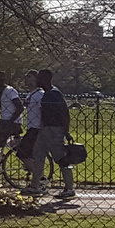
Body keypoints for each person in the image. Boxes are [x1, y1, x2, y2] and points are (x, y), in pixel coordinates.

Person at [25, 67, 74, 200]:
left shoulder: (54, 93)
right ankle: (35, 186)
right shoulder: (47, 93)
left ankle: (69, 188)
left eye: (39, 77)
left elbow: (64, 112)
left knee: (60, 158)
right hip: (45, 129)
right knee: (38, 155)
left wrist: (65, 131)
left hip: (54, 129)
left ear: (46, 79)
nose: (37, 80)